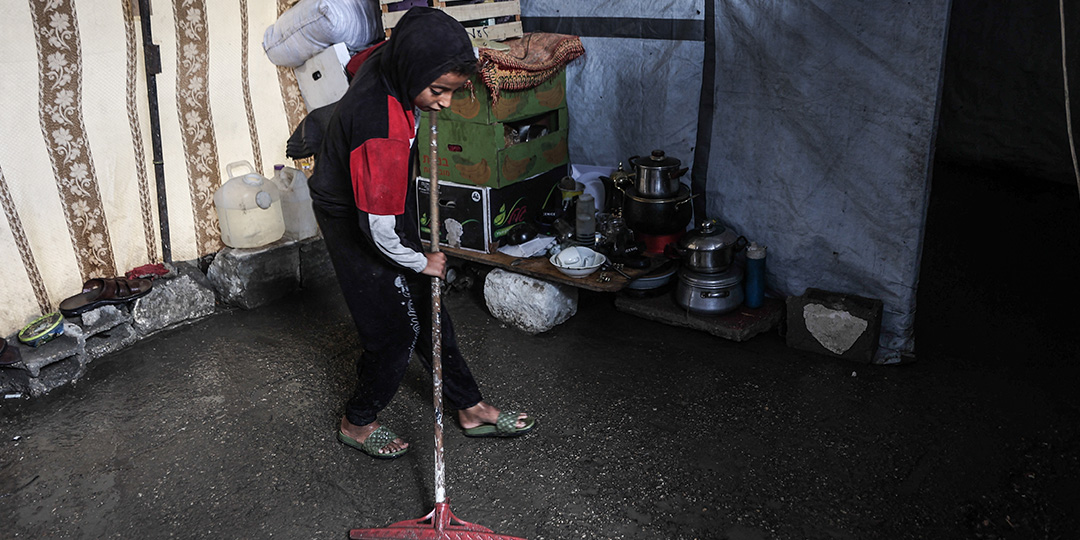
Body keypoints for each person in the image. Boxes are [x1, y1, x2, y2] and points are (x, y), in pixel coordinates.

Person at [308, 7, 534, 459]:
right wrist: (421, 260)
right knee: (394, 330)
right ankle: (358, 420)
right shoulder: (382, 128)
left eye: (452, 90)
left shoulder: (392, 58)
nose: (445, 103)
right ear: (411, 71)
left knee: (427, 304)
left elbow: (356, 70)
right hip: (352, 214)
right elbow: (378, 232)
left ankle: (469, 406)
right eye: (438, 91)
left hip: (381, 195)